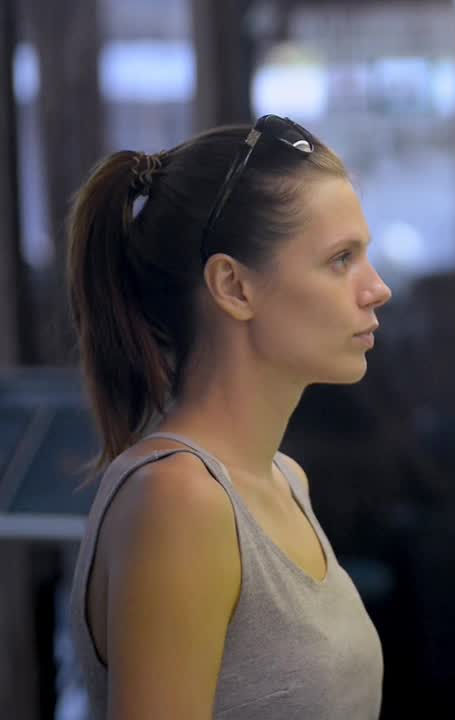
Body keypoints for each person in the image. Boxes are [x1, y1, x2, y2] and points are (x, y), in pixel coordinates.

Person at [65, 115, 391, 719]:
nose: (377, 288)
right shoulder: (179, 498)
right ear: (233, 287)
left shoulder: (286, 479)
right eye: (341, 259)